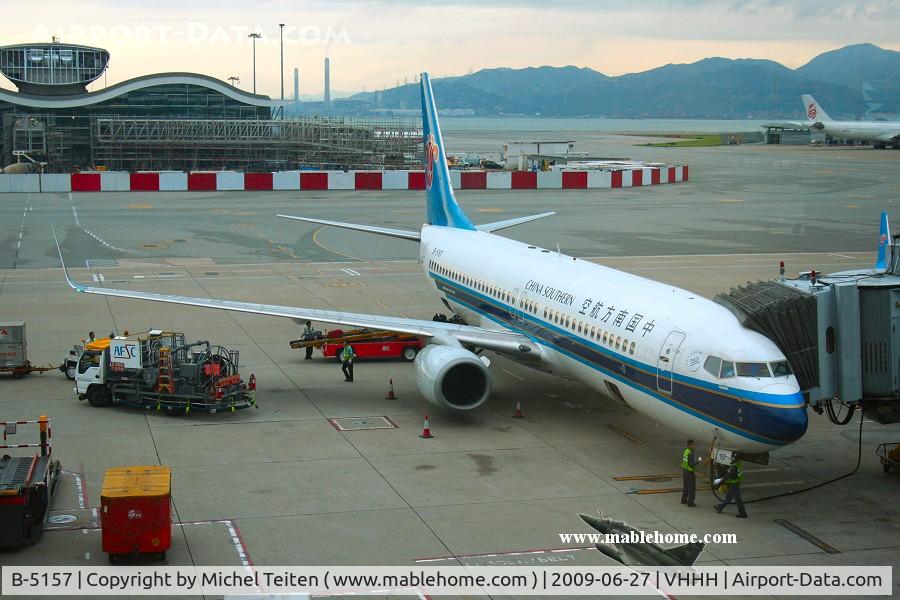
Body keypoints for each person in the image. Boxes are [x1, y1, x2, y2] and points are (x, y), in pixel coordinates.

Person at [680, 439, 700, 507]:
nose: (694, 446)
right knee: (692, 488)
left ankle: (683, 500)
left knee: (686, 487)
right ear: (689, 445)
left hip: (684, 471)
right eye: (693, 445)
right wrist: (698, 461)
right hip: (689, 472)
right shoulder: (690, 453)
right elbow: (691, 464)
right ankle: (690, 502)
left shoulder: (686, 451)